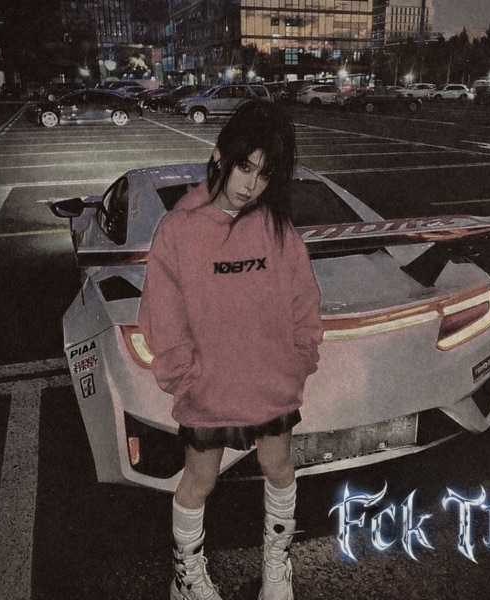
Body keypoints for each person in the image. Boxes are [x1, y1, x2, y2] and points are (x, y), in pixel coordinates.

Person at [139, 99, 323, 600]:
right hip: (210, 389)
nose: (251, 185)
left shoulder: (276, 228)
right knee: (199, 481)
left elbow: (304, 300)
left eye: (264, 175)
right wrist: (187, 378)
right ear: (220, 155)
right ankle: (186, 578)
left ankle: (276, 568)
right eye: (245, 167)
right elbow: (162, 318)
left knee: (279, 469)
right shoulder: (179, 230)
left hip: (271, 384)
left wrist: (297, 360)